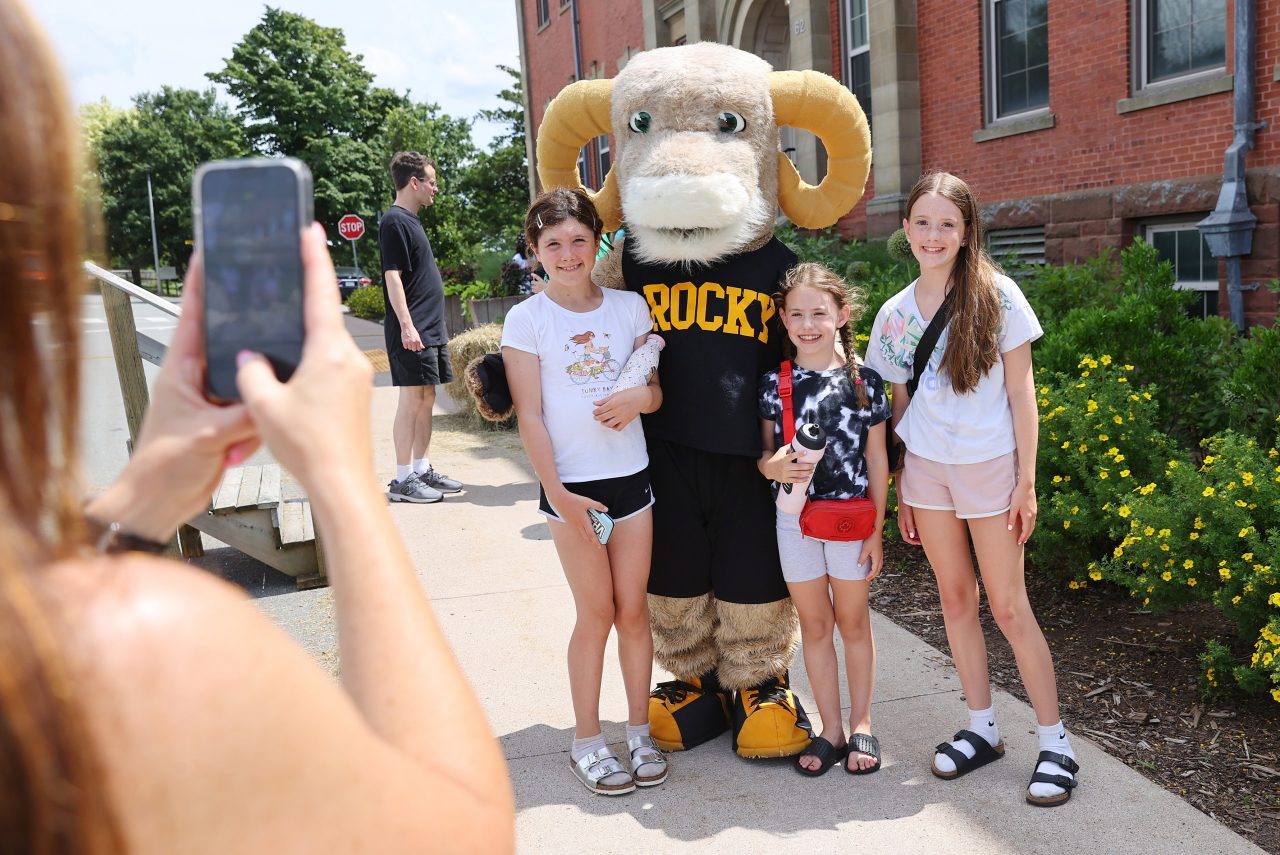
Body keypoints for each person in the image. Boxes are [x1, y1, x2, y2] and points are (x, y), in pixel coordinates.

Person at [0, 2, 514, 849]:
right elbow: (461, 826)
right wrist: (343, 484)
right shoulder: (132, 645)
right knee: (410, 413)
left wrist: (142, 494)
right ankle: (401, 473)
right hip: (407, 343)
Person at [864, 172, 1080, 806]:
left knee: (1010, 608)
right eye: (922, 223)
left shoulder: (1000, 298)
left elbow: (1022, 394)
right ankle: (983, 728)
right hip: (928, 473)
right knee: (955, 602)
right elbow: (898, 408)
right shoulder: (894, 314)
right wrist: (904, 485)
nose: (934, 236)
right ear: (906, 230)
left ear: (966, 233)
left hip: (991, 467)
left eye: (947, 225)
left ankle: (1055, 742)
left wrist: (1027, 481)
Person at [500, 188, 666, 796]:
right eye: (553, 245)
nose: (568, 254)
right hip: (573, 492)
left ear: (598, 240)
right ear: (535, 251)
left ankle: (640, 733)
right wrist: (560, 496)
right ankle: (588, 740)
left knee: (632, 611)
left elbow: (655, 394)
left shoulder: (628, 309)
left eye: (578, 240)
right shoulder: (528, 320)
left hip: (632, 483)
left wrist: (639, 398)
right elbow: (530, 417)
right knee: (595, 614)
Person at [757, 263, 890, 777]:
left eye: (819, 312)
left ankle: (862, 723)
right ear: (783, 320)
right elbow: (763, 455)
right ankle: (830, 728)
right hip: (795, 521)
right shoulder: (776, 382)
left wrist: (877, 528)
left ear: (842, 314)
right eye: (797, 315)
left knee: (853, 622)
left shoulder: (865, 383)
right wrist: (772, 466)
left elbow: (879, 459)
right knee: (815, 624)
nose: (808, 324)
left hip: (852, 523)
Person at [379, 151, 463, 503]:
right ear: (414, 182)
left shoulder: (411, 220)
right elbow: (392, 276)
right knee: (412, 399)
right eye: (431, 181)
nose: (436, 188)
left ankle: (421, 467)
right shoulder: (394, 221)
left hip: (429, 328)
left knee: (427, 397)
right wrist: (407, 326)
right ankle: (402, 480)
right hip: (412, 330)